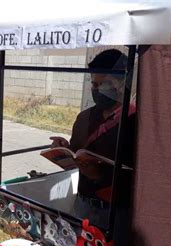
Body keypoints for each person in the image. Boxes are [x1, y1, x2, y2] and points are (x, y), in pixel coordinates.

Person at [50, 49, 135, 228]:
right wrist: (64, 149)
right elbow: (76, 152)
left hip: (115, 213)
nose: (95, 90)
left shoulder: (136, 121)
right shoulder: (84, 118)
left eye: (102, 84)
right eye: (93, 84)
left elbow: (140, 174)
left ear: (121, 83)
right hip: (82, 204)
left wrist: (99, 176)